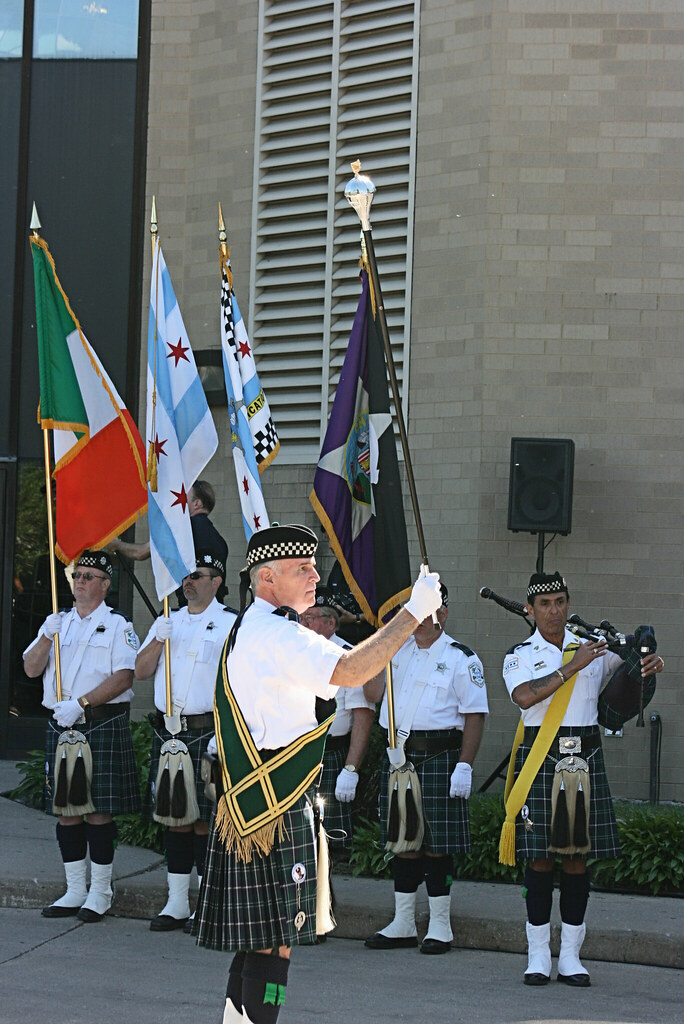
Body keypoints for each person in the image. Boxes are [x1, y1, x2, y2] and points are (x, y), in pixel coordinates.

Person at [193, 524, 442, 1024]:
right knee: (275, 945)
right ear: (267, 577)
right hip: (277, 808)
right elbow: (352, 669)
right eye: (301, 568)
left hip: (250, 805)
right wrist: (412, 612)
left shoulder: (249, 626)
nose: (313, 575)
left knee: (257, 941)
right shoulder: (280, 636)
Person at [501, 571, 663, 987]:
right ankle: (538, 954)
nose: (553, 611)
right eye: (544, 604)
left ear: (568, 604)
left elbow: (628, 680)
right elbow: (524, 697)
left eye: (559, 602)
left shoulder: (593, 649)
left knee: (575, 860)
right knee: (538, 859)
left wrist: (646, 665)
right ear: (531, 610)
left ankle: (571, 955)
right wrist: (573, 666)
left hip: (584, 757)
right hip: (539, 757)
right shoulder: (519, 654)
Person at [364, 582, 489, 955]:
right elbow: (371, 696)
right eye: (413, 612)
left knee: (438, 846)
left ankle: (440, 924)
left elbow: (475, 715)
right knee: (405, 843)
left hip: (440, 757)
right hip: (400, 759)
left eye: (427, 611)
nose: (419, 620)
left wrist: (464, 766)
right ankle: (403, 922)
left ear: (443, 615)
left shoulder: (461, 658)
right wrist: (379, 650)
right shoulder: (395, 652)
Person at [22, 549, 141, 922]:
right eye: (77, 576)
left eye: (89, 576)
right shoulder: (57, 622)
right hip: (63, 725)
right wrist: (45, 637)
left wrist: (83, 703)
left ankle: (100, 892)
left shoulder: (119, 625)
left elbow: (124, 676)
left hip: (99, 723)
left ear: (106, 585)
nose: (80, 582)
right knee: (67, 812)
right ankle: (75, 890)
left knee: (98, 813)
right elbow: (29, 668)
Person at [135, 544, 236, 932]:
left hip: (208, 732)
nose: (188, 583)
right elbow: (142, 671)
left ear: (216, 581)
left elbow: (239, 681)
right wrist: (159, 638)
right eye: (186, 577)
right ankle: (177, 901)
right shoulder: (168, 620)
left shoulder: (230, 622)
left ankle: (207, 903)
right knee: (175, 818)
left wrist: (224, 731)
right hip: (171, 733)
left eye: (197, 576)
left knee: (206, 823)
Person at [300, 587, 377, 855]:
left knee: (328, 842)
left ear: (331, 622)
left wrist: (351, 769)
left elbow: (363, 716)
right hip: (296, 752)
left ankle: (326, 896)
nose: (304, 623)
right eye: (302, 617)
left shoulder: (348, 658)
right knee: (297, 836)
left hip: (330, 754)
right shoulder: (295, 652)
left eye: (311, 618)